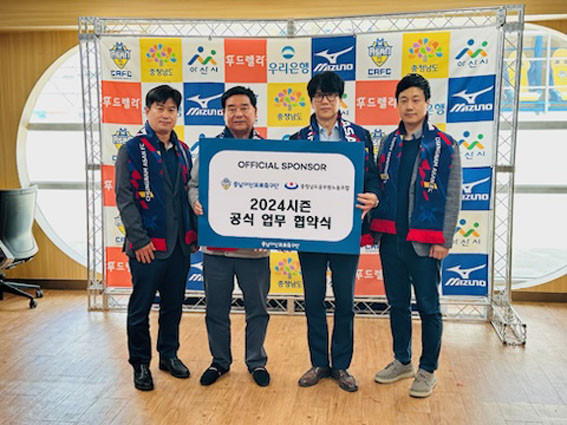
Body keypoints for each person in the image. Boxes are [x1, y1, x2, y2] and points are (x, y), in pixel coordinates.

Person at [371, 73, 462, 398]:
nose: (409, 106)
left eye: (415, 100)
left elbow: (453, 195)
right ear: (396, 104)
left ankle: (427, 369)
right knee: (397, 304)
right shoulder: (389, 143)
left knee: (428, 306)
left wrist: (444, 239)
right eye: (403, 100)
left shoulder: (445, 145)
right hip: (391, 239)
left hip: (425, 242)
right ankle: (402, 360)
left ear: (427, 103)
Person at [290, 71, 380, 392]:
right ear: (311, 100)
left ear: (340, 99)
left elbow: (372, 177)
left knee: (345, 301)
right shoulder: (297, 140)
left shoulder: (359, 136)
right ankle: (318, 362)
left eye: (330, 95)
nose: (324, 101)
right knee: (313, 300)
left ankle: (341, 365)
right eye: (318, 95)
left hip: (345, 231)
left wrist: (374, 196)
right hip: (310, 233)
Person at [115, 85, 197, 391]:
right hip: (147, 247)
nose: (166, 114)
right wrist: (139, 240)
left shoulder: (183, 150)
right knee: (140, 309)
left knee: (173, 307)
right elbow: (124, 198)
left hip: (179, 247)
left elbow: (188, 195)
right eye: (160, 108)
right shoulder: (132, 149)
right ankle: (140, 364)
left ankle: (168, 355)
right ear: (147, 111)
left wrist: (194, 233)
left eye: (171, 109)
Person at [189, 86, 271, 387]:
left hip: (255, 250)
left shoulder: (269, 151)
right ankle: (219, 361)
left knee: (257, 310)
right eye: (231, 109)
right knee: (216, 309)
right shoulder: (211, 149)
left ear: (255, 112)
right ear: (223, 114)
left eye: (244, 107)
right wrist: (195, 202)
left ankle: (256, 361)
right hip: (216, 249)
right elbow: (193, 185)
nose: (238, 114)